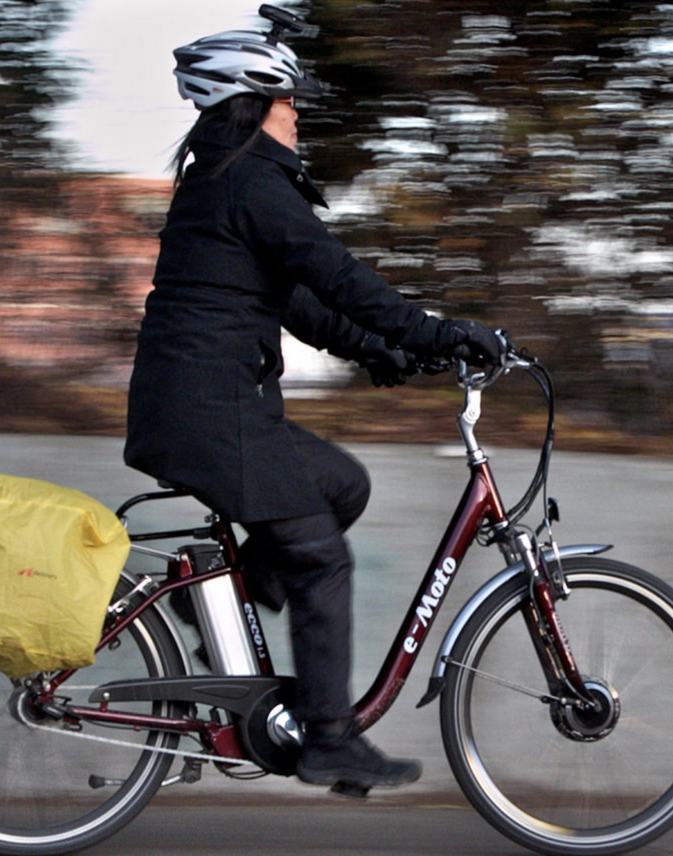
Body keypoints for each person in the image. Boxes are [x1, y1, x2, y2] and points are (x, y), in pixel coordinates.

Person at [124, 12, 506, 791]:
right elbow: (334, 273)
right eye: (289, 101)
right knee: (321, 557)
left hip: (206, 405)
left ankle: (216, 611)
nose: (297, 115)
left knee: (342, 484)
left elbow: (300, 300)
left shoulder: (227, 184)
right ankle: (330, 737)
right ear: (253, 104)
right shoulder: (249, 181)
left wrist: (385, 350)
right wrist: (440, 332)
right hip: (209, 410)